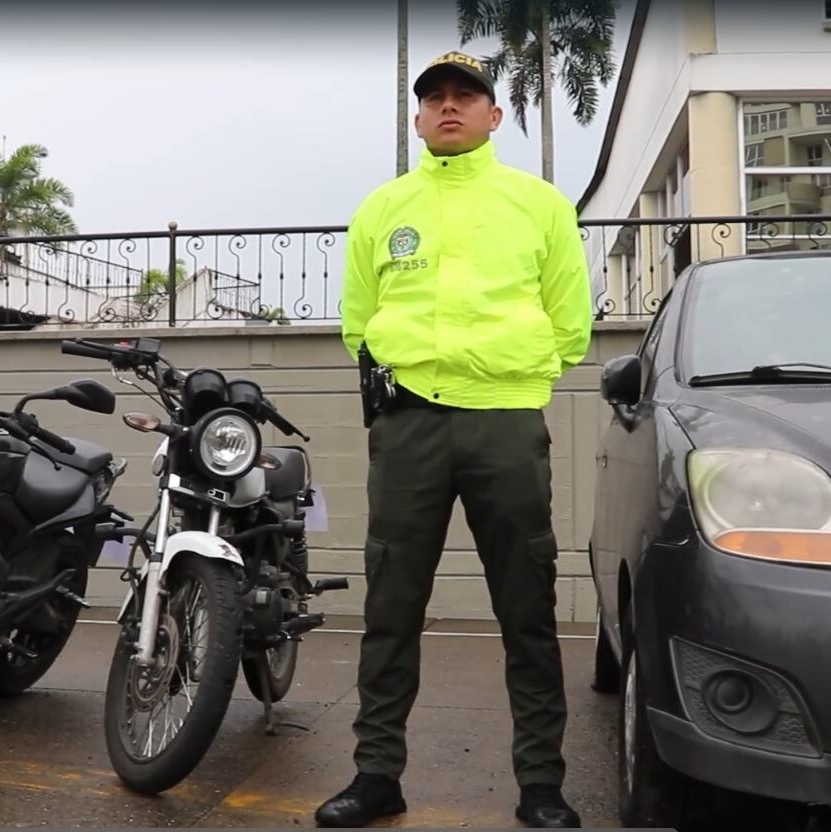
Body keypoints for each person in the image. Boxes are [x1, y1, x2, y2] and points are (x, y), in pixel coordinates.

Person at [314, 51, 592, 829]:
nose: (448, 107)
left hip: (504, 422)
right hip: (408, 427)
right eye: (433, 97)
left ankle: (542, 786)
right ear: (417, 119)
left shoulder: (539, 204)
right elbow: (358, 322)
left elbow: (572, 325)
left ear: (493, 116)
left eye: (464, 97)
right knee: (392, 604)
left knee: (527, 608)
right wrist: (401, 378)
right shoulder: (384, 208)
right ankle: (377, 776)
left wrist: (516, 374)